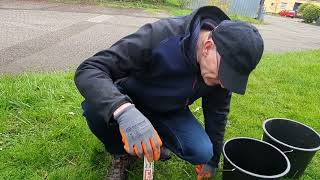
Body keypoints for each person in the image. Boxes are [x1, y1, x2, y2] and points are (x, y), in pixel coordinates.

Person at [75, 6, 264, 180]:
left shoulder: (222, 71)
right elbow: (90, 69)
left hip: (168, 109)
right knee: (96, 108)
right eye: (223, 74)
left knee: (202, 151)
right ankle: (121, 154)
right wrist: (124, 111)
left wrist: (213, 160)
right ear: (207, 47)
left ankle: (157, 138)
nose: (223, 83)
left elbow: (218, 113)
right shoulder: (161, 34)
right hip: (131, 99)